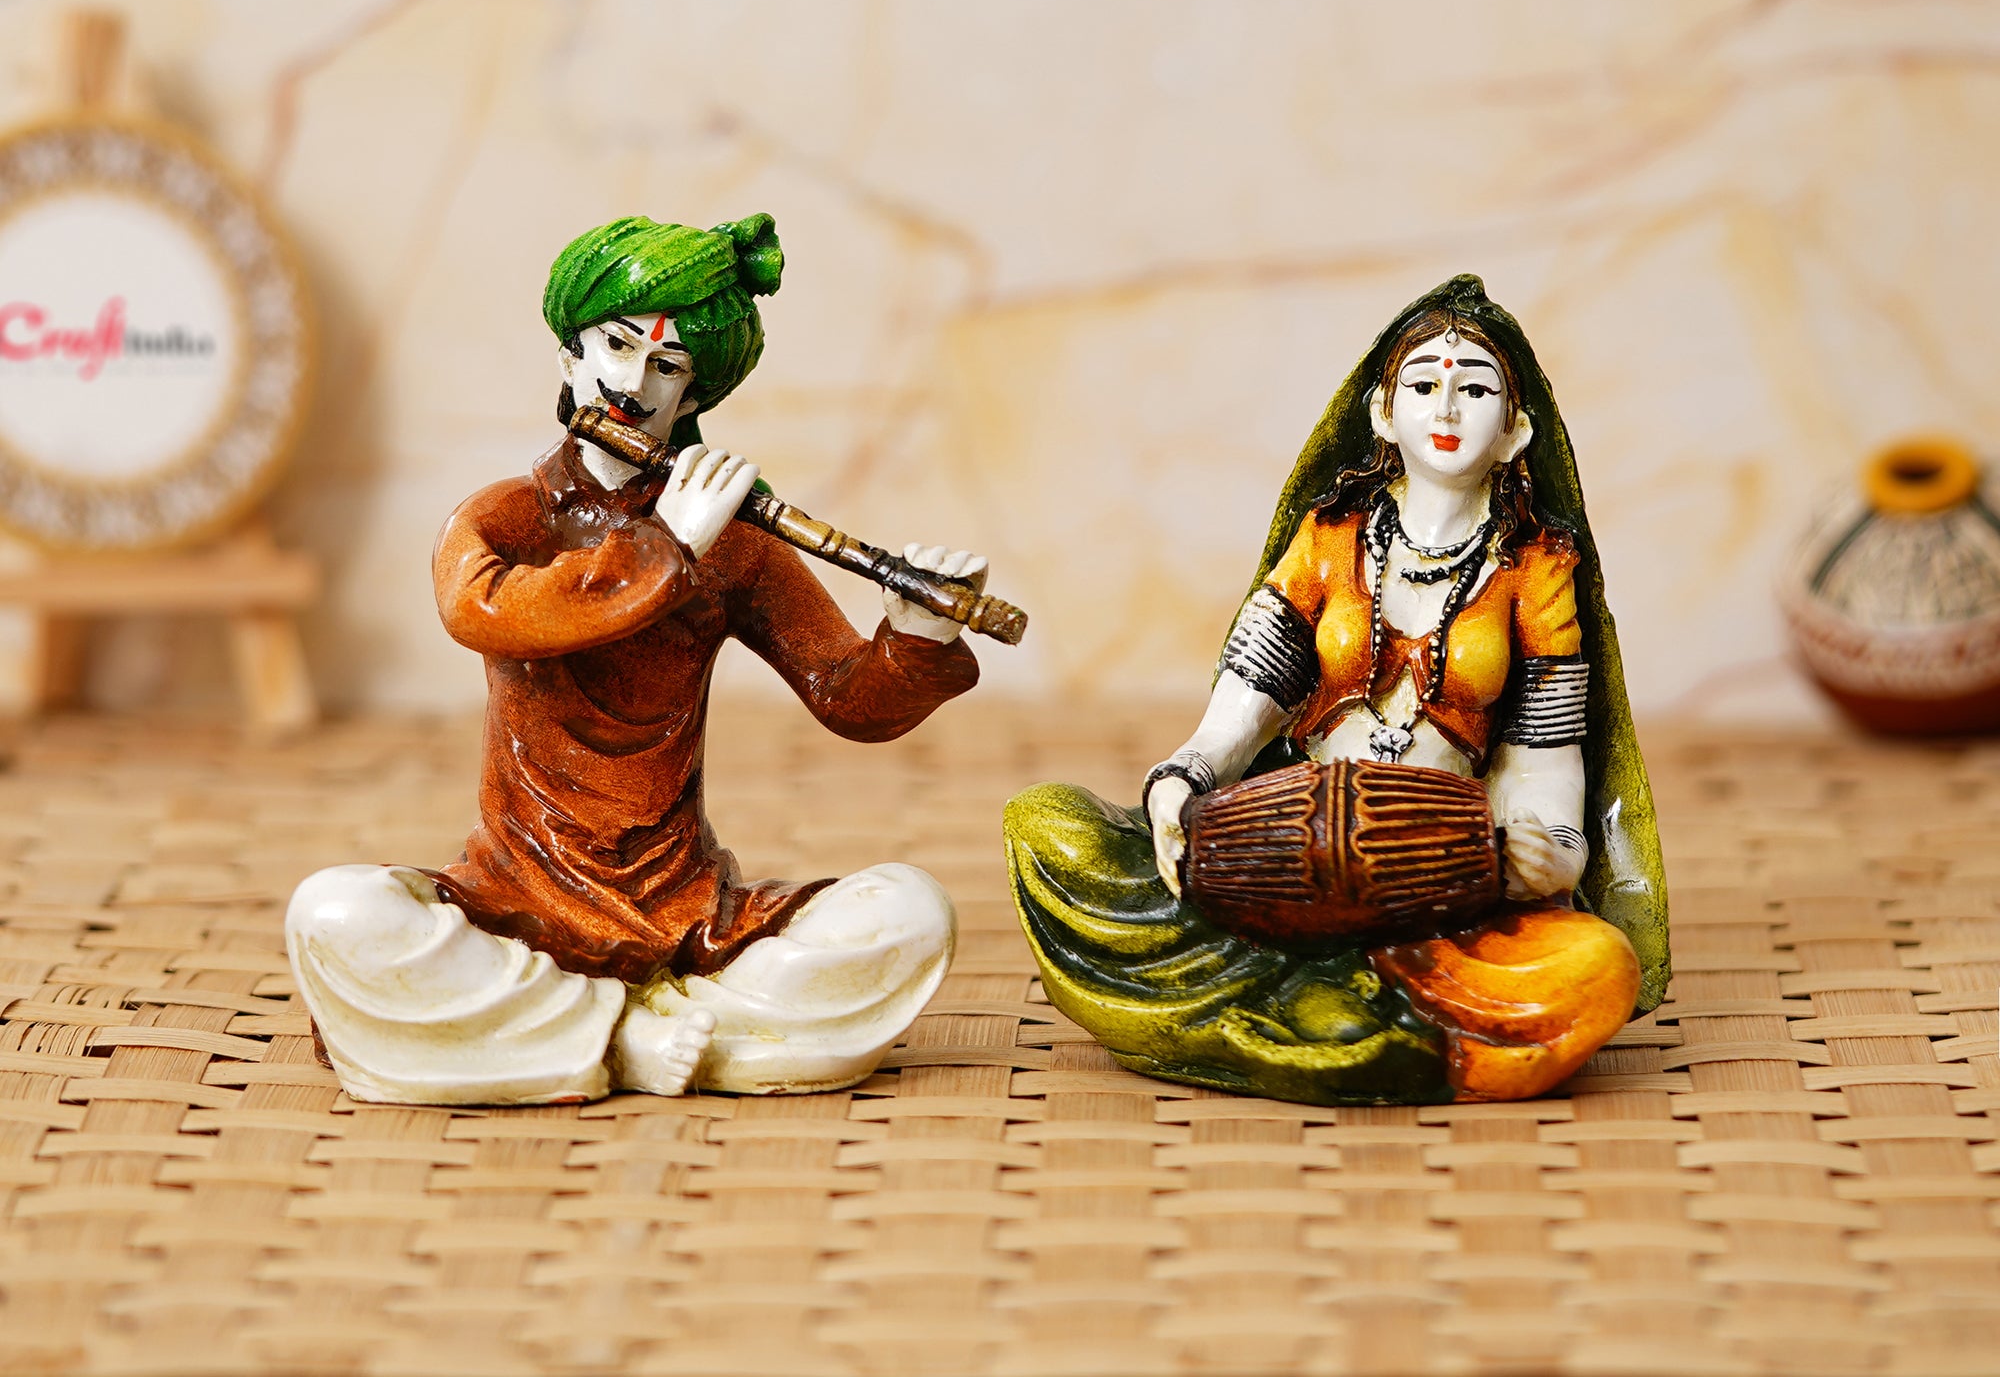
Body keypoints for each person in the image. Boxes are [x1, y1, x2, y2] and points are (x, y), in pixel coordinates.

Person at [288, 213, 988, 1105]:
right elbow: (482, 610)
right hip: (517, 900)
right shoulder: (509, 518)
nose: (633, 383)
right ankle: (628, 1032)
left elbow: (847, 696)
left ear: (692, 399)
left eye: (667, 367)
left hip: (686, 910)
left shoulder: (735, 543)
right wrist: (666, 548)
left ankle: (609, 1032)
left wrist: (915, 634)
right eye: (616, 347)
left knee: (911, 912)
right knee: (337, 913)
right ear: (568, 357)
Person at [1005, 275, 1668, 1105]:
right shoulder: (1329, 538)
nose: (1448, 410)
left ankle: (1335, 1017)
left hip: (1446, 887)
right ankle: (1348, 1018)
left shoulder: (1536, 569)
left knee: (1596, 968)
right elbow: (1245, 706)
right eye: (1424, 386)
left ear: (1516, 428)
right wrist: (1182, 783)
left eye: (1474, 390)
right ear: (1384, 414)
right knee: (1049, 826)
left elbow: (1544, 759)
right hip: (1280, 858)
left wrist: (1550, 851)